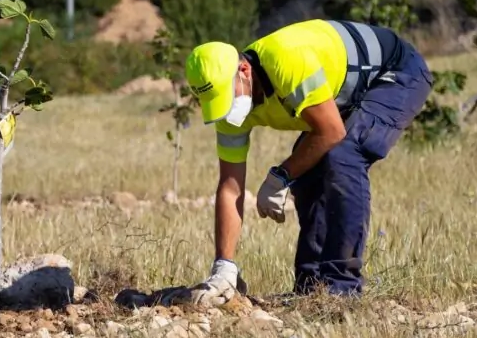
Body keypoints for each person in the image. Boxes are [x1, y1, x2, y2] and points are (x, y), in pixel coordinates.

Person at [184, 18, 434, 305]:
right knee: (310, 168)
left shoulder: (286, 61)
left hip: (397, 70)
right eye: (217, 101)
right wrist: (223, 266)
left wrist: (280, 176)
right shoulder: (228, 112)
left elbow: (331, 131)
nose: (226, 107)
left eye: (227, 95)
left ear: (244, 70)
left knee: (342, 156)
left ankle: (342, 289)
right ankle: (311, 289)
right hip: (344, 91)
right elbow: (230, 188)